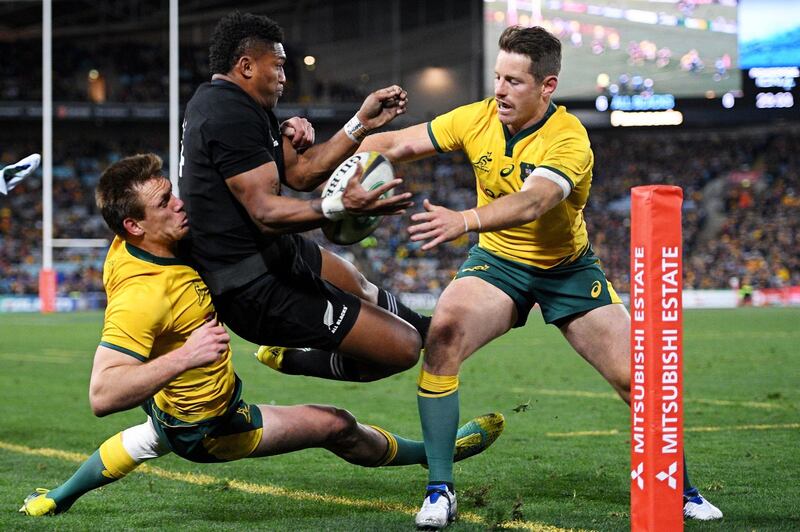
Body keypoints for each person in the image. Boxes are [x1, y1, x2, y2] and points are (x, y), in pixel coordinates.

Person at [361, 25, 723, 528]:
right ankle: (440, 490)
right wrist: (343, 151)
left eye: (514, 81)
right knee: (442, 339)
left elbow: (535, 201)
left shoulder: (570, 139)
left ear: (547, 86)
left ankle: (681, 488)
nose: (500, 90)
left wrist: (462, 220)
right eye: (497, 78)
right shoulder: (476, 118)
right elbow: (397, 143)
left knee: (635, 379)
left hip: (566, 269)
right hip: (498, 265)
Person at [19, 153, 505, 517]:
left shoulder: (147, 242)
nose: (179, 203)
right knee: (335, 425)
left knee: (148, 439)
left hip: (170, 411)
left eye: (172, 190)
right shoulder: (142, 297)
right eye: (165, 202)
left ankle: (56, 499)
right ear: (133, 226)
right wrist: (187, 355)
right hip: (210, 426)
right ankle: (439, 453)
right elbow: (102, 395)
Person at [179, 11, 431, 383]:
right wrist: (339, 205)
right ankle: (295, 358)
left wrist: (360, 123)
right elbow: (264, 211)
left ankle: (437, 332)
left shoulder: (239, 104)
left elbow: (302, 173)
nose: (284, 76)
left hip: (275, 253)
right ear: (246, 66)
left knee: (361, 286)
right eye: (278, 66)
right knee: (403, 347)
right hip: (253, 287)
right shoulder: (226, 113)